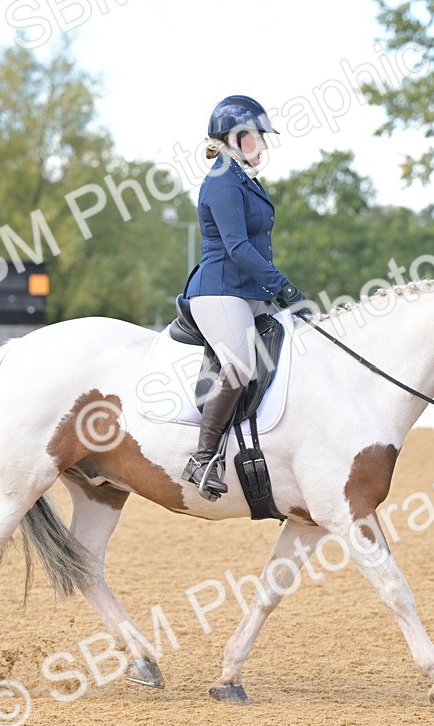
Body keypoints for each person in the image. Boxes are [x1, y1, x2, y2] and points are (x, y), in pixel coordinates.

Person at [180, 95, 308, 498]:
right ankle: (202, 459)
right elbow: (236, 247)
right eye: (258, 138)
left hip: (249, 292)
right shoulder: (221, 181)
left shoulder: (243, 179)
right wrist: (281, 284)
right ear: (234, 138)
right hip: (219, 291)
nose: (264, 145)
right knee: (240, 362)